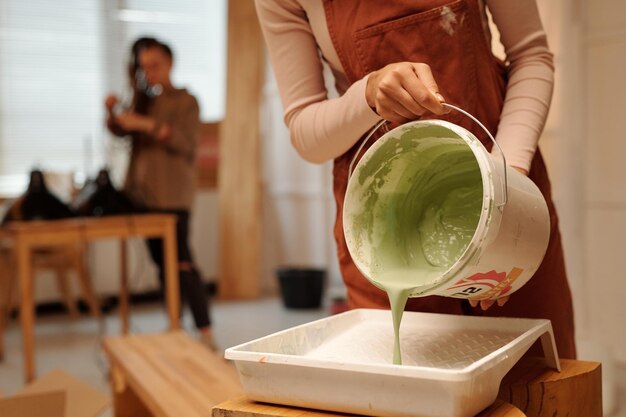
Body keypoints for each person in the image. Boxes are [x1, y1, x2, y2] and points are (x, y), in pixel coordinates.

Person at [255, 0, 576, 359]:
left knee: (536, 387)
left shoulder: (509, 187)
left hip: (507, 186)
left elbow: (531, 56)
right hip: (383, 231)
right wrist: (368, 94)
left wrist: (509, 183)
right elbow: (305, 130)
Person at [104, 37, 214, 348]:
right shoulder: (143, 101)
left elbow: (182, 141)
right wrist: (113, 114)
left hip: (173, 199)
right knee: (162, 267)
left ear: (169, 63)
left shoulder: (186, 101)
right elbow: (120, 130)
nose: (150, 73)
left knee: (181, 263)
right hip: (142, 199)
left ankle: (206, 333)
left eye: (155, 66)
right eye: (144, 67)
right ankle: (176, 328)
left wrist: (143, 123)